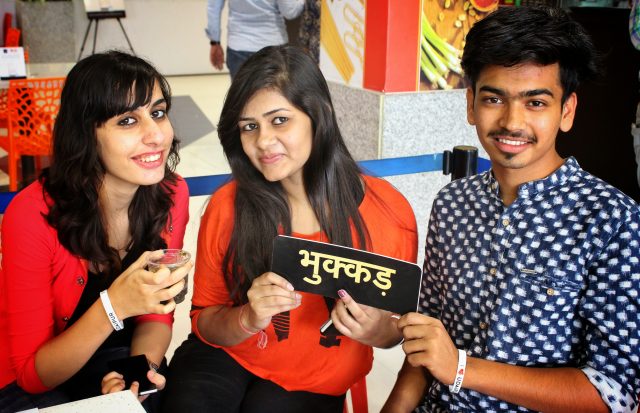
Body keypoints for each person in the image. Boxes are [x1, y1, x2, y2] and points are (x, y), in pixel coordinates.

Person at [383, 6, 640, 413]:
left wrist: (461, 368)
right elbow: (426, 340)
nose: (511, 121)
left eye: (535, 102)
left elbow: (613, 393)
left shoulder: (612, 220)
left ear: (566, 111)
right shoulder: (452, 204)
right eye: (493, 98)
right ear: (471, 104)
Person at [162, 45, 418, 413]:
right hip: (226, 355)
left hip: (316, 378)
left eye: (279, 120)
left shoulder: (388, 212)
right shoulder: (227, 206)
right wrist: (247, 317)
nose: (263, 141)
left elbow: (397, 329)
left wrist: (374, 328)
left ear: (319, 115)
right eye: (249, 126)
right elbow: (204, 322)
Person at [0, 51, 192, 412]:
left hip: (118, 357)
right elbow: (32, 375)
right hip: (36, 379)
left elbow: (156, 315)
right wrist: (114, 305)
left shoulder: (171, 194)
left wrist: (136, 376)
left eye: (157, 113)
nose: (156, 135)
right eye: (127, 121)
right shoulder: (31, 215)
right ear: (86, 134)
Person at [206, 0, 304, 79]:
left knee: (242, 96)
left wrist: (215, 42)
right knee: (274, 95)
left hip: (239, 44)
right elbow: (290, 12)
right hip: (273, 43)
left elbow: (213, 8)